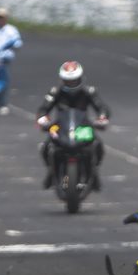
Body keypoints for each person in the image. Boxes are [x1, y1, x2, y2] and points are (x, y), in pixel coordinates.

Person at [35, 61, 111, 190]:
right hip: (60, 126)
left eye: (74, 81)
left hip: (83, 126)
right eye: (68, 81)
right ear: (63, 80)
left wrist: (102, 117)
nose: (71, 84)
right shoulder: (55, 92)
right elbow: (44, 108)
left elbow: (101, 107)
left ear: (80, 78)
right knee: (46, 147)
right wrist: (43, 119)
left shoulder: (89, 91)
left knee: (98, 145)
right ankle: (51, 172)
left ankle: (94, 172)